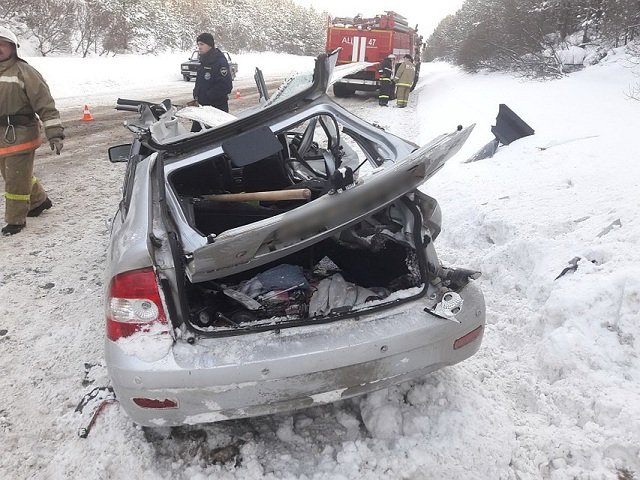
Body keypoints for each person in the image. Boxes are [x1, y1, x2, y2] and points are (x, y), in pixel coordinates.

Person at [0, 26, 64, 236]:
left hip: (21, 135)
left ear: (13, 48)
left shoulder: (24, 72)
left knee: (15, 178)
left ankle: (15, 220)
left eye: (3, 44)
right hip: (1, 137)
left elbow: (45, 103)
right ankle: (39, 201)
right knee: (13, 174)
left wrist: (54, 132)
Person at [192, 32, 233, 113]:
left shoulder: (219, 61)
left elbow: (226, 86)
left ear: (210, 45)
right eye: (198, 44)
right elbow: (201, 82)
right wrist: (196, 93)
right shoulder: (204, 61)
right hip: (203, 107)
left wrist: (207, 97)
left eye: (202, 44)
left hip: (216, 109)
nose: (199, 47)